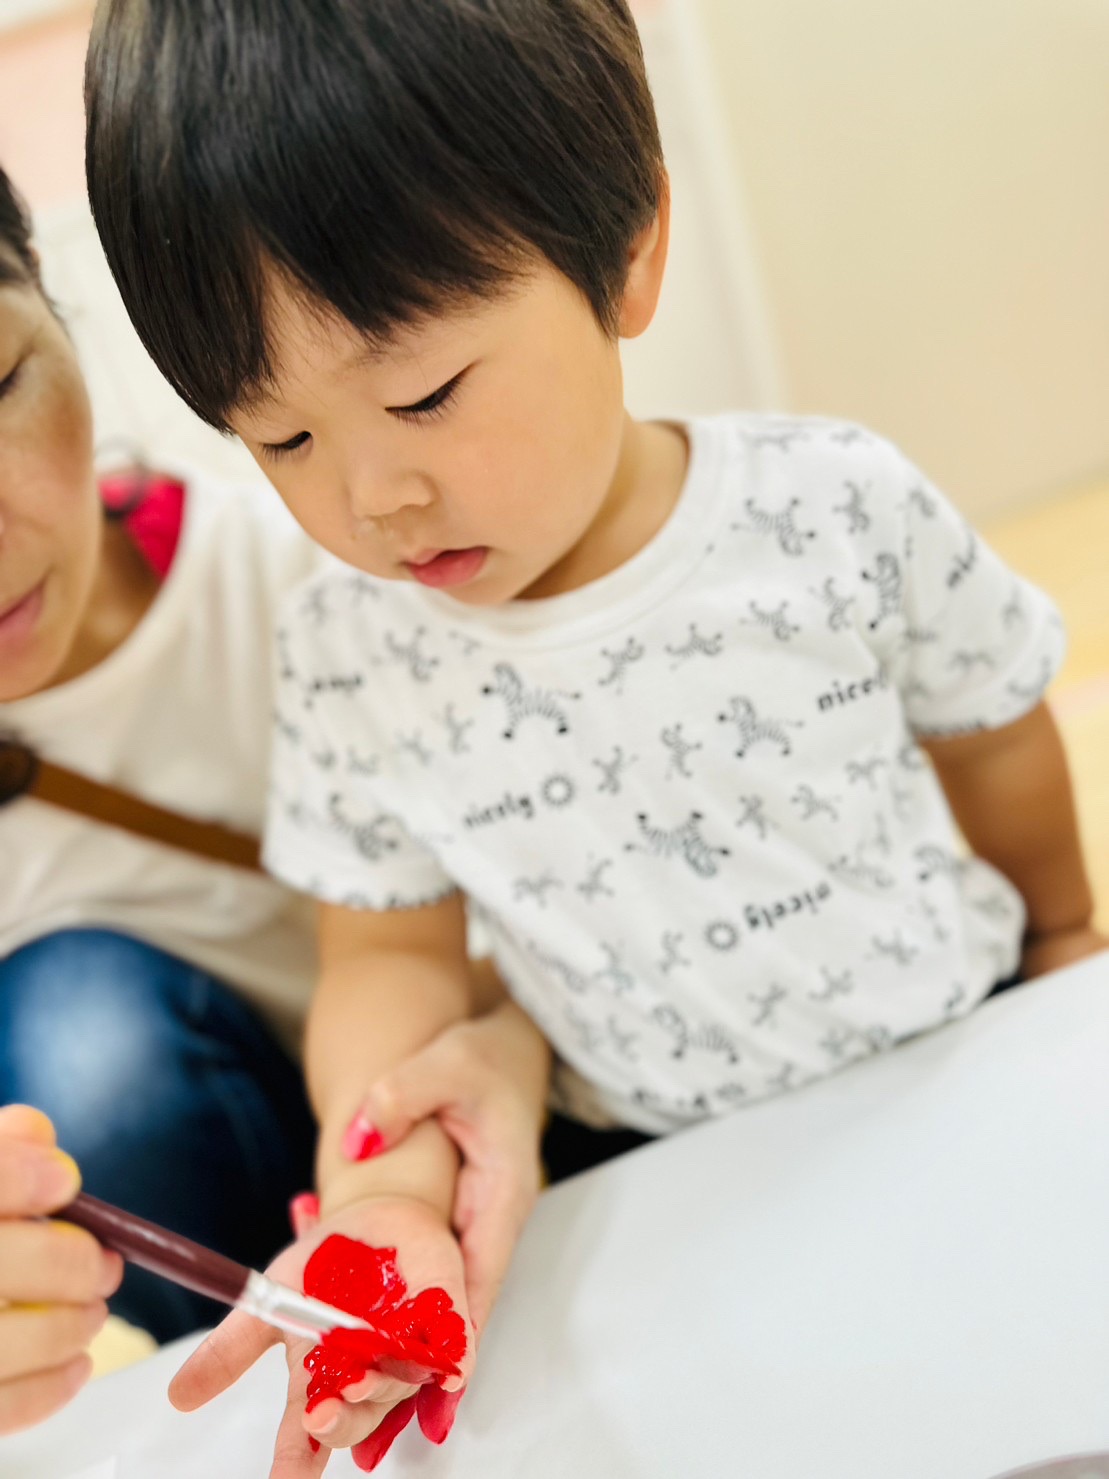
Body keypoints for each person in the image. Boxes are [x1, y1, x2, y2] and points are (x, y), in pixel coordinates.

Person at [84, 0, 1105, 1470]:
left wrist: (1062, 937)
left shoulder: (829, 506)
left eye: (424, 394)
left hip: (950, 1055)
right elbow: (383, 958)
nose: (372, 499)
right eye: (282, 440)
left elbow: (991, 732)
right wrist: (381, 1192)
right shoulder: (352, 653)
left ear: (629, 249)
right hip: (647, 1163)